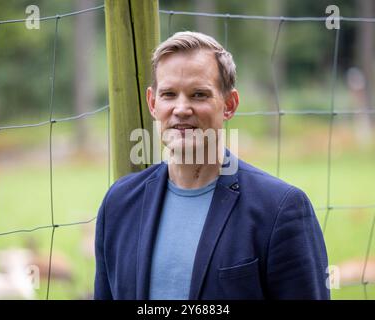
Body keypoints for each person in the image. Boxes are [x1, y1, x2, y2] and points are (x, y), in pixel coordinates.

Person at [94, 31, 330, 300]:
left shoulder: (279, 209)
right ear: (152, 103)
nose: (181, 109)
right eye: (169, 94)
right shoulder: (119, 204)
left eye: (198, 95)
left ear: (229, 105)